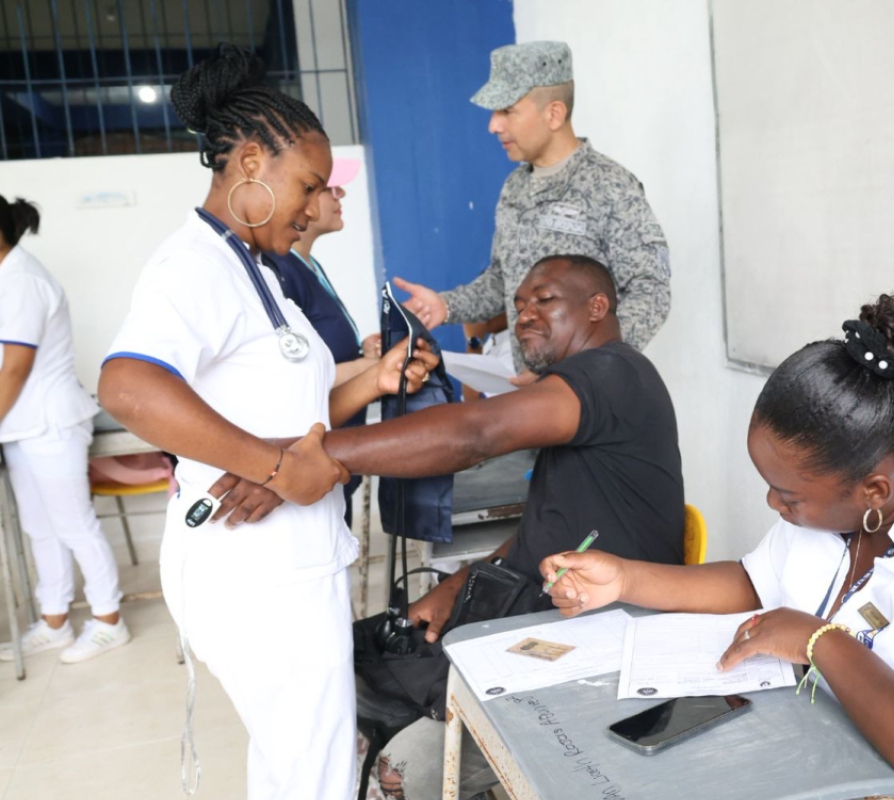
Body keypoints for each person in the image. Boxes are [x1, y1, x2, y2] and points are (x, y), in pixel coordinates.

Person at [542, 292, 894, 800]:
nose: (772, 503)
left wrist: (820, 641)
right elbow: (755, 582)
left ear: (873, 490)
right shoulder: (850, 502)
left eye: (787, 495)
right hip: (839, 763)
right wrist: (624, 578)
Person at [212, 254, 685, 800]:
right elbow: (554, 524)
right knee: (348, 662)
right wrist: (459, 583)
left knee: (398, 769)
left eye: (544, 300)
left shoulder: (612, 373)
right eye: (519, 305)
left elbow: (475, 434)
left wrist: (305, 459)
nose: (525, 316)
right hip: (544, 612)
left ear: (597, 307)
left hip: (603, 641)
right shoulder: (584, 385)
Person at [97, 45, 435, 800]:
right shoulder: (195, 265)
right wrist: (277, 468)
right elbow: (128, 386)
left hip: (288, 559)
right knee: (314, 772)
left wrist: (374, 379)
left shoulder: (257, 270)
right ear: (250, 161)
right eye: (308, 186)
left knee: (300, 763)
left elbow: (294, 409)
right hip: (253, 568)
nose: (315, 207)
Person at [394, 41, 672, 382]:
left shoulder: (609, 186)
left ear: (553, 114)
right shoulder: (515, 187)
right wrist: (446, 305)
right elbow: (503, 280)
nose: (493, 125)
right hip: (529, 390)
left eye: (507, 111)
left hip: (591, 392)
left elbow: (651, 292)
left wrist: (579, 369)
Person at [0, 191, 129, 664]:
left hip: (50, 423)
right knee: (40, 529)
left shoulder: (23, 281)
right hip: (21, 426)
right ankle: (55, 621)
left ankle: (109, 621)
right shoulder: (3, 280)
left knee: (73, 524)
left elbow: (17, 368)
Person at [262, 156, 372, 525]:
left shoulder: (308, 265)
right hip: (311, 459)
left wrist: (364, 353)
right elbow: (295, 374)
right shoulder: (281, 271)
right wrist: (370, 368)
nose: (341, 195)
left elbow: (325, 350)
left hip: (337, 451)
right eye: (329, 188)